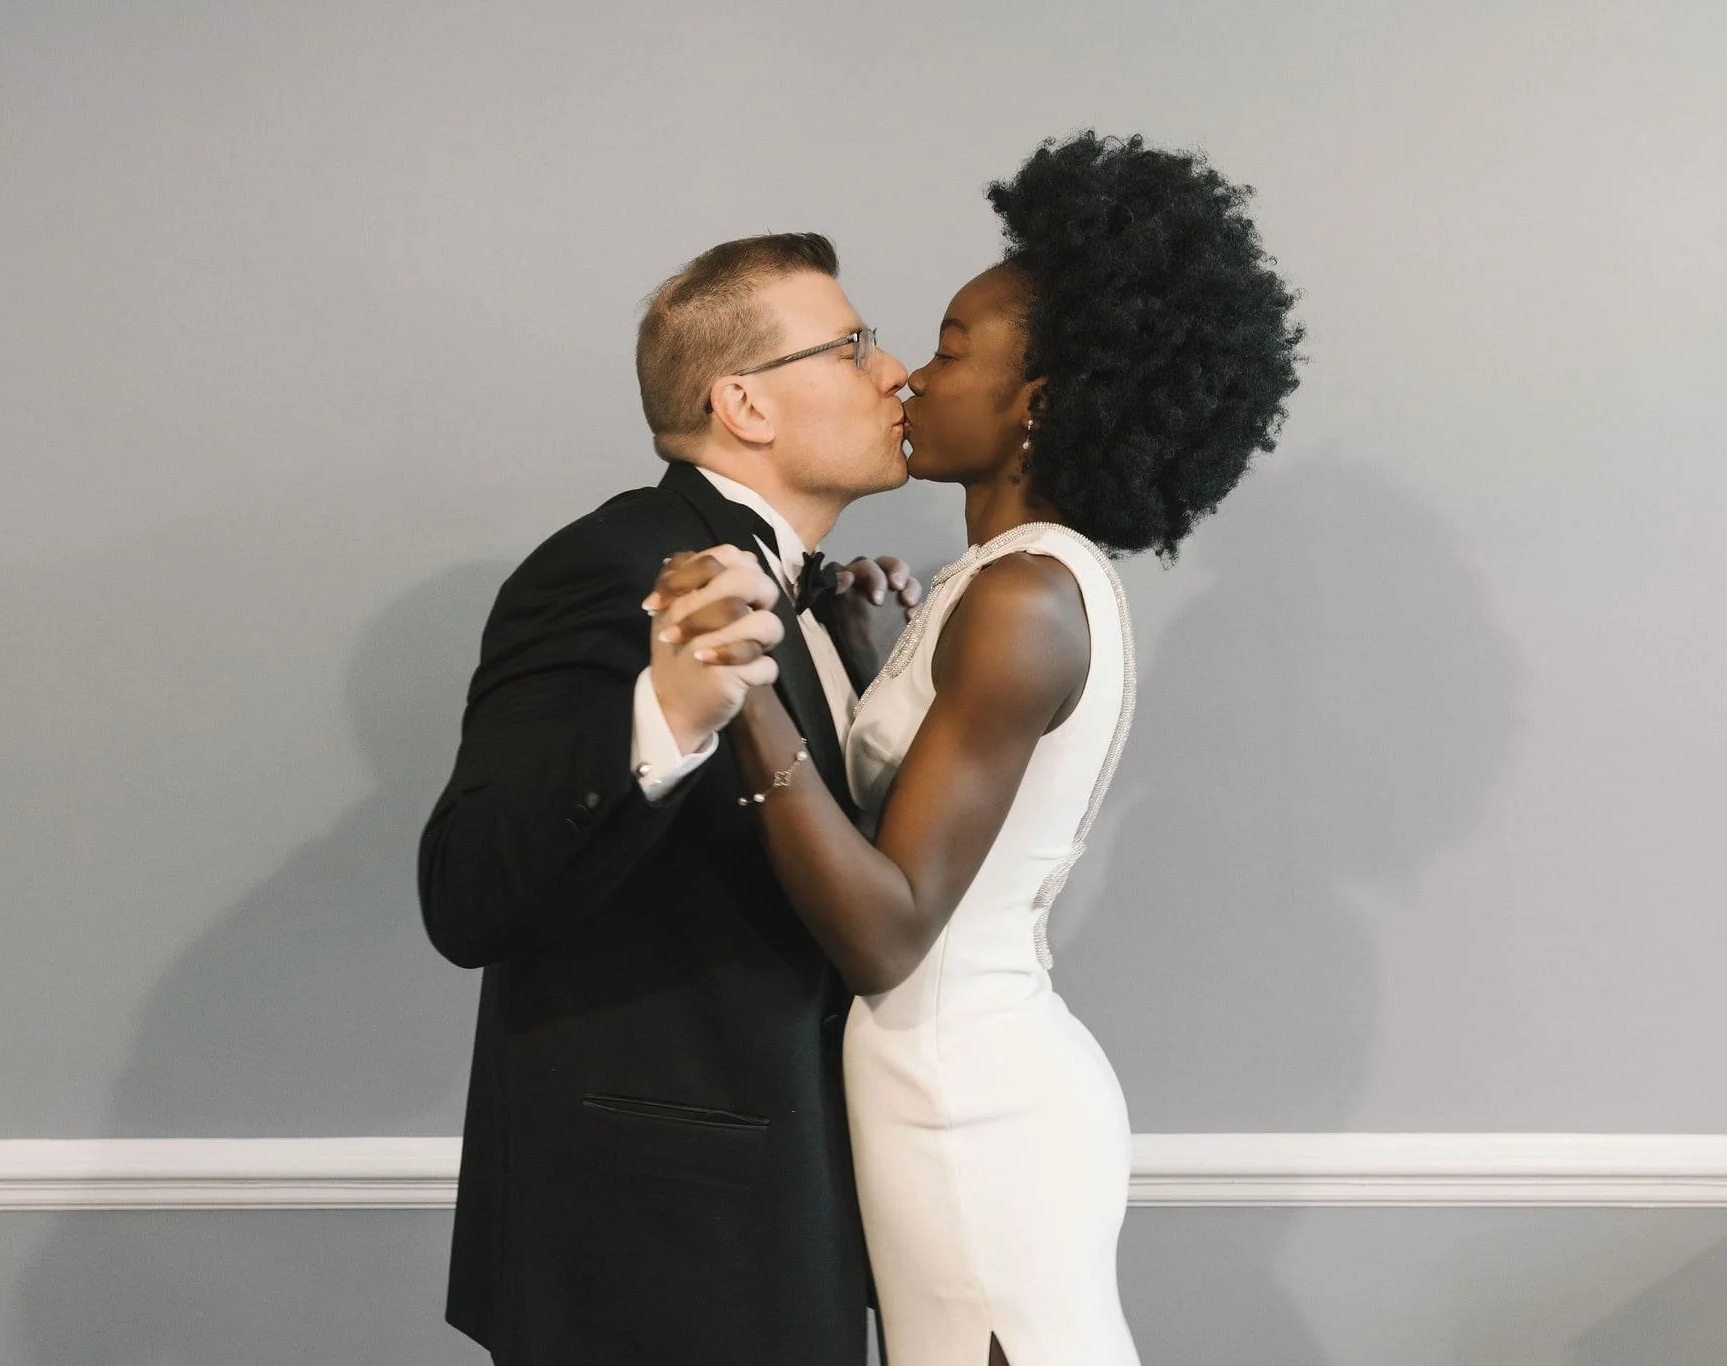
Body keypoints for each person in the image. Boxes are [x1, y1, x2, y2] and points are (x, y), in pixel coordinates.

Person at [650, 132, 1305, 1364]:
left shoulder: (1022, 600)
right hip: (942, 1086)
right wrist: (873, 648)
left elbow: (887, 928)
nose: (904, 378)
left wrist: (742, 693)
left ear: (1036, 402)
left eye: (949, 350)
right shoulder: (1002, 583)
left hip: (968, 1107)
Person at [416, 232, 920, 1365]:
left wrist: (855, 661)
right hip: (657, 1256)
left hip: (778, 1224)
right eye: (852, 346)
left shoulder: (812, 595)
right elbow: (466, 895)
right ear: (742, 402)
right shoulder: (611, 566)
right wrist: (669, 716)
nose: (894, 373)